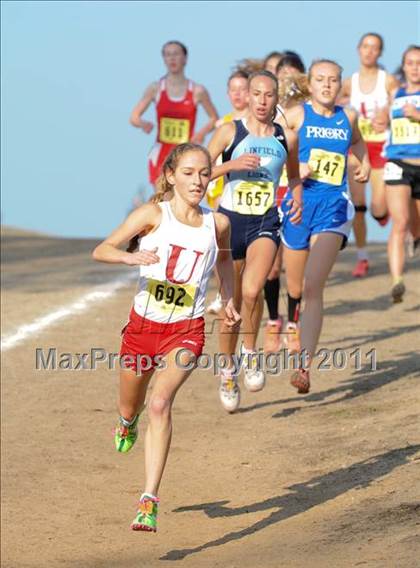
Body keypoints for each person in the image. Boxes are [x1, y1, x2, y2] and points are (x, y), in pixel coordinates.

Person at [92, 143, 240, 532]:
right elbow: (101, 249)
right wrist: (129, 257)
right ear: (171, 175)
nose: (198, 180)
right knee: (132, 406)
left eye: (204, 173)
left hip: (186, 330)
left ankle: (148, 499)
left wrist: (228, 298)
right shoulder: (151, 214)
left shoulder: (218, 224)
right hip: (143, 328)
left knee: (160, 404)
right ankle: (126, 421)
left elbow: (225, 262)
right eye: (189, 173)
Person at [208, 70, 303, 412]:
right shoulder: (229, 131)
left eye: (269, 95)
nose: (263, 101)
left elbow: (293, 175)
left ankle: (250, 355)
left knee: (252, 291)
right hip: (230, 222)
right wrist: (230, 163)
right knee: (230, 303)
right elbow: (200, 170)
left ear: (276, 99)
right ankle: (227, 370)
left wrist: (297, 198)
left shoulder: (285, 137)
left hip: (265, 219)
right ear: (246, 96)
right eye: (257, 94)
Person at [280, 59, 370, 394]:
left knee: (313, 284)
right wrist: (294, 167)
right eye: (321, 80)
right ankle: (292, 324)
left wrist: (365, 162)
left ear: (340, 84)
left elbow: (358, 141)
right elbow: (272, 143)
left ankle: (303, 367)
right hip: (298, 206)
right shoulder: (296, 115)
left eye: (333, 80)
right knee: (296, 289)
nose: (327, 85)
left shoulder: (349, 117)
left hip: (333, 206)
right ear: (310, 84)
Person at [340, 33, 399, 277]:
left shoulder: (388, 81)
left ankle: (383, 214)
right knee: (358, 205)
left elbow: (401, 104)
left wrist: (388, 114)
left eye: (374, 48)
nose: (369, 51)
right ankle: (362, 257)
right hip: (358, 149)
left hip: (382, 146)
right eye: (365, 46)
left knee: (378, 207)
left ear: (380, 52)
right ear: (358, 49)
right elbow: (335, 104)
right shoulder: (348, 82)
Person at [263, 52, 309, 354]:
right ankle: (273, 322)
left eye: (294, 74)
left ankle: (293, 324)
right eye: (283, 75)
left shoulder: (311, 112)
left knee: (294, 268)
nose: (288, 80)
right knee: (270, 267)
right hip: (270, 193)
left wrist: (306, 166)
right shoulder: (269, 113)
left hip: (301, 194)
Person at [130, 40, 218, 188]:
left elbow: (214, 118)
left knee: (183, 197)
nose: (172, 58)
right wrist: (143, 123)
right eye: (167, 55)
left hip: (186, 153)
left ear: (185, 58)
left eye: (176, 54)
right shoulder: (156, 88)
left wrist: (200, 134)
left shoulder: (197, 91)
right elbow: (134, 117)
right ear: (163, 59)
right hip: (161, 154)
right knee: (162, 198)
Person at [206, 69, 250, 315]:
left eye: (242, 89)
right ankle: (222, 294)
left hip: (249, 193)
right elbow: (209, 161)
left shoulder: (261, 123)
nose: (237, 94)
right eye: (233, 89)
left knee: (241, 257)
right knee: (219, 245)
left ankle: (237, 294)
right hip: (221, 189)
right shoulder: (223, 124)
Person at [383, 45, 420, 302]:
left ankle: (416, 239)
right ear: (403, 66)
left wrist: (417, 115)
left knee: (417, 225)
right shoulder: (395, 94)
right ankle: (397, 280)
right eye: (410, 62)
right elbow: (385, 121)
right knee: (400, 222)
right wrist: (379, 120)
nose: (415, 67)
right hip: (397, 161)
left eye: (419, 63)